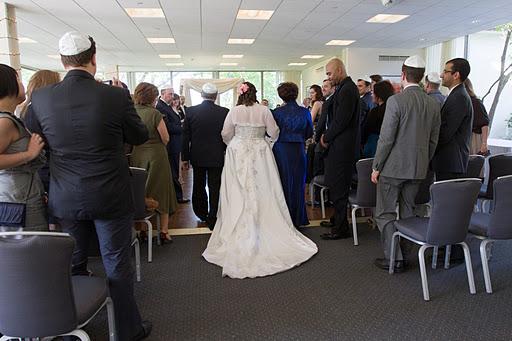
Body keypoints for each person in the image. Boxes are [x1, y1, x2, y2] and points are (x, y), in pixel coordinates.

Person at [28, 31, 152, 340]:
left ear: (62, 61)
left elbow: (34, 135)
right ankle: (127, 331)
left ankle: (68, 325)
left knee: (72, 262)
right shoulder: (114, 96)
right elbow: (138, 136)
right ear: (93, 58)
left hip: (65, 195)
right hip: (110, 194)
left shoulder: (42, 98)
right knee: (116, 264)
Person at [202, 81, 318, 278]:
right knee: (264, 188)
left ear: (241, 94)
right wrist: (263, 141)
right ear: (254, 93)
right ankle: (266, 225)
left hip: (238, 152)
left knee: (238, 189)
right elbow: (274, 132)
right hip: (259, 152)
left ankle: (237, 225)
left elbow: (225, 133)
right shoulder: (264, 110)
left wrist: (235, 143)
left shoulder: (234, 111)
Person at [371, 55, 441, 272]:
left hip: (393, 168)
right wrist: (423, 162)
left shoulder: (396, 101)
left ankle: (395, 258)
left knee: (385, 213)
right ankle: (406, 254)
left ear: (403, 75)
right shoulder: (433, 103)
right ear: (422, 77)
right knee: (409, 212)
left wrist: (376, 166)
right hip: (418, 168)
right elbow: (433, 140)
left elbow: (386, 138)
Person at [0, 64, 47, 231]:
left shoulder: (9, 118)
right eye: (19, 80)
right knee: (30, 251)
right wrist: (29, 154)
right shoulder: (4, 122)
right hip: (17, 202)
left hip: (19, 196)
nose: (24, 85)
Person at [130, 82, 178, 242]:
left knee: (140, 189)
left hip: (137, 154)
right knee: (162, 190)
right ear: (153, 97)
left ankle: (142, 230)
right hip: (157, 155)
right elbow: (165, 137)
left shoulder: (131, 113)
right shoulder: (155, 114)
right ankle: (163, 231)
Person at [319, 58, 360, 240]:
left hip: (342, 147)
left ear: (339, 70)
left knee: (340, 189)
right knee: (337, 187)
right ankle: (337, 220)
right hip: (340, 146)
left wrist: (326, 137)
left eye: (330, 73)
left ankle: (341, 228)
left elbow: (341, 120)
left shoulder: (348, 89)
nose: (328, 77)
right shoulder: (343, 89)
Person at [181, 83, 229, 230]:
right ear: (215, 96)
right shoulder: (224, 112)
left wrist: (185, 157)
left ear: (202, 95)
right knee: (215, 186)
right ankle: (213, 215)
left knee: (198, 185)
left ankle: (201, 213)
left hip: (198, 155)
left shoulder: (191, 111)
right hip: (217, 155)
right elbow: (226, 135)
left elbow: (185, 136)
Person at [20, 70, 61, 229]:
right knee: (52, 215)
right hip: (48, 167)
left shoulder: (27, 109)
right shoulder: (39, 111)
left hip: (42, 168)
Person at [272, 82, 313, 227]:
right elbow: (309, 132)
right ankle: (298, 218)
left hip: (281, 149)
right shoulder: (305, 112)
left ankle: (284, 218)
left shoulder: (276, 113)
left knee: (282, 183)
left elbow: (271, 132)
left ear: (281, 95)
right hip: (298, 149)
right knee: (298, 183)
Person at [432, 58, 473, 181]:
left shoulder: (459, 97)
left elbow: (446, 132)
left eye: (445, 71)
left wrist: (429, 147)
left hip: (451, 162)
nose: (441, 75)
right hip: (449, 161)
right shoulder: (456, 94)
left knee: (446, 199)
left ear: (456, 75)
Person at [156, 87, 189, 204]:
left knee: (174, 171)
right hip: (171, 144)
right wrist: (182, 128)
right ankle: (177, 197)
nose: (172, 96)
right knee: (173, 172)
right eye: (170, 94)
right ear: (163, 94)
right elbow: (168, 127)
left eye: (172, 94)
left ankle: (176, 197)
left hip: (174, 143)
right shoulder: (161, 107)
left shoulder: (166, 107)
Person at [362, 80, 395, 158]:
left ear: (379, 96)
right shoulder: (394, 109)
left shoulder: (375, 112)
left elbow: (365, 130)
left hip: (374, 145)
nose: (371, 95)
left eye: (373, 93)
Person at [464, 78, 490, 155]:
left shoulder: (475, 102)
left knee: (474, 163)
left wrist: (484, 143)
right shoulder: (463, 102)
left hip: (474, 138)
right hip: (466, 137)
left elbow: (485, 124)